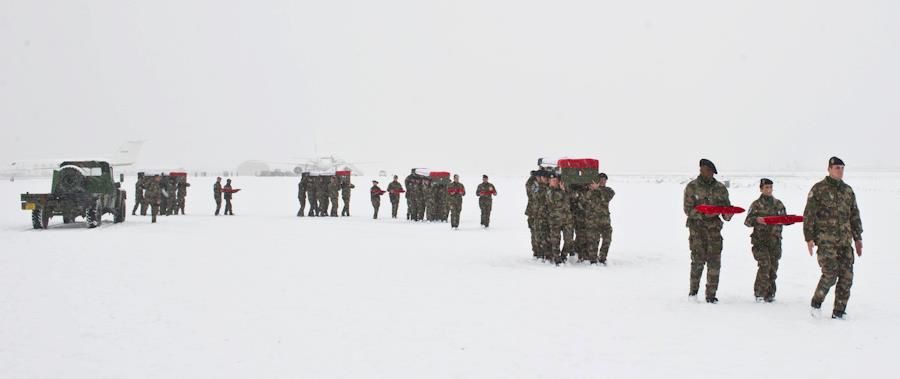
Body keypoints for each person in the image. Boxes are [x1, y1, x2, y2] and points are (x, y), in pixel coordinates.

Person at [804, 157, 863, 319]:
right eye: (837, 167)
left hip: (845, 242)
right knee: (830, 275)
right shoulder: (818, 189)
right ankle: (816, 303)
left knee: (846, 277)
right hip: (826, 242)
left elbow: (854, 215)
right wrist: (809, 238)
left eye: (842, 168)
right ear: (829, 169)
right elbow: (809, 215)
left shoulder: (848, 191)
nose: (840, 170)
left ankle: (839, 312)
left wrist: (858, 239)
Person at [683, 159, 733, 304]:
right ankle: (693, 293)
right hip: (697, 231)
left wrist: (728, 214)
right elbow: (688, 210)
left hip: (714, 232)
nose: (709, 173)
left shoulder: (720, 188)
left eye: (711, 172)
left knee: (714, 263)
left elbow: (725, 211)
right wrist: (704, 214)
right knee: (697, 262)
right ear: (701, 169)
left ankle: (711, 295)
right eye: (706, 170)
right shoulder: (692, 187)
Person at [743, 178, 787, 302]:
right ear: (761, 189)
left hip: (775, 241)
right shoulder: (756, 205)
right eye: (766, 187)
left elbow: (785, 219)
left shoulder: (778, 204)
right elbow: (747, 222)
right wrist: (756, 219)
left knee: (773, 268)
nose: (768, 190)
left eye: (770, 187)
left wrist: (788, 220)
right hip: (760, 242)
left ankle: (770, 294)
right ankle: (759, 293)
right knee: (765, 265)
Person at [596, 173, 615, 265]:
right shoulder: (592, 190)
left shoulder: (609, 191)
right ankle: (593, 257)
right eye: (600, 179)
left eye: (604, 179)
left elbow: (606, 198)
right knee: (594, 241)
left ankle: (603, 257)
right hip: (594, 220)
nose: (602, 181)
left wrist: (597, 189)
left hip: (605, 221)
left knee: (607, 239)